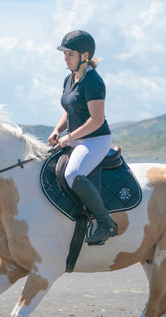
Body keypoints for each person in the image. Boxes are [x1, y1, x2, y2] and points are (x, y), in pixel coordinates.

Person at [48, 30, 118, 246]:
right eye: (64, 54)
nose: (65, 58)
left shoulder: (93, 82)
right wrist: (57, 130)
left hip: (95, 139)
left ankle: (105, 223)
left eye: (70, 54)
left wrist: (69, 137)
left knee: (73, 173)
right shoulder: (69, 79)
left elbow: (96, 120)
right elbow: (69, 109)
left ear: (84, 55)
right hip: (75, 138)